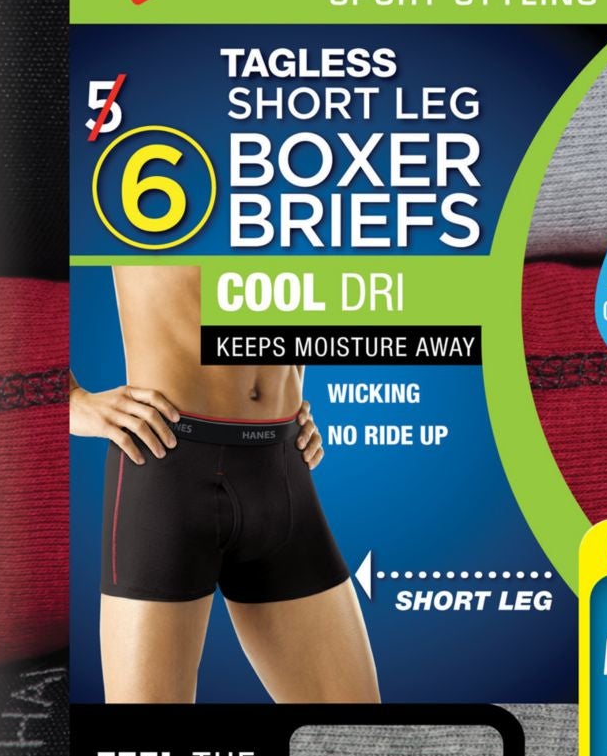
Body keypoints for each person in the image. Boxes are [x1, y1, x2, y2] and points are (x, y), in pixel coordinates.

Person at [71, 264, 379, 707]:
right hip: (169, 464)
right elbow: (27, 267)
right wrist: (70, 400)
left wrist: (288, 394)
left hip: (282, 465)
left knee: (361, 739)